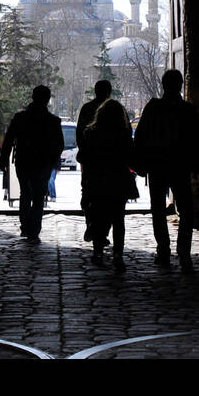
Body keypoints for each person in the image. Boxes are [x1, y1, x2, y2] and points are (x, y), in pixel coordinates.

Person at [133, 69, 199, 272]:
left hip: (157, 166)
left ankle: (163, 249)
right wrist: (195, 164)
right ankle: (183, 251)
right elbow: (197, 139)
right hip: (180, 166)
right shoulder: (187, 110)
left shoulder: (153, 108)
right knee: (186, 211)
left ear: (163, 85)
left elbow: (140, 137)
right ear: (180, 85)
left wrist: (140, 164)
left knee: (157, 209)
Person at [0, 86, 64, 242]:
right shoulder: (53, 121)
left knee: (25, 194)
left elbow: (8, 140)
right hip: (43, 163)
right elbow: (59, 144)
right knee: (39, 196)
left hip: (24, 162)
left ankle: (26, 227)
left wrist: (3, 158)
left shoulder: (20, 118)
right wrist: (52, 160)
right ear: (47, 100)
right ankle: (34, 231)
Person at [77, 97, 136, 270]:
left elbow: (82, 157)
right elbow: (130, 156)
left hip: (97, 180)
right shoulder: (123, 134)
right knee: (118, 219)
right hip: (118, 180)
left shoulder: (91, 132)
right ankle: (118, 254)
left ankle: (98, 252)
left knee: (99, 217)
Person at [76, 79, 117, 239]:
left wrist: (85, 151)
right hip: (110, 161)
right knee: (108, 195)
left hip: (90, 160)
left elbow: (80, 133)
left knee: (89, 192)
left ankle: (91, 223)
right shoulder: (115, 109)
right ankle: (103, 231)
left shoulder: (87, 109)